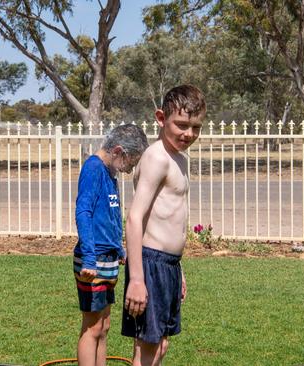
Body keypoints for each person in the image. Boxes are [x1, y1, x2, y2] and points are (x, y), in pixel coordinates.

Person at [121, 85, 206, 365]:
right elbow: (135, 218)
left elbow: (171, 217)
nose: (188, 134)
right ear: (160, 118)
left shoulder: (178, 159)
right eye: (181, 125)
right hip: (150, 264)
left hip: (166, 265)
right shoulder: (157, 157)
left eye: (195, 127)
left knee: (159, 345)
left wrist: (177, 268)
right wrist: (136, 279)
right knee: (149, 348)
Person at [73, 124, 149, 366]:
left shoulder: (109, 173)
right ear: (118, 151)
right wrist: (88, 258)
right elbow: (83, 212)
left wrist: (119, 249)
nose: (130, 169)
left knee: (104, 325)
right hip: (93, 261)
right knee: (92, 326)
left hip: (108, 258)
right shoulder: (94, 169)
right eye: (130, 162)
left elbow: (108, 217)